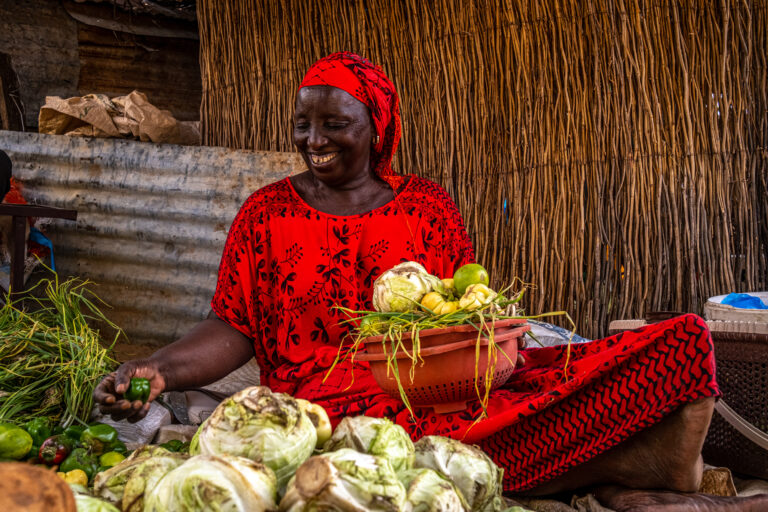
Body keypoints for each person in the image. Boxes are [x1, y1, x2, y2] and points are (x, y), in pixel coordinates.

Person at [95, 52, 734, 506]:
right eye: (303, 123)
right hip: (327, 416)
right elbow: (233, 326)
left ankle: (634, 462)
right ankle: (620, 464)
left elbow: (465, 315)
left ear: (378, 126)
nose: (313, 140)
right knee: (443, 455)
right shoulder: (266, 214)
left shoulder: (425, 206)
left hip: (436, 393)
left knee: (663, 344)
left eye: (334, 124)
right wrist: (158, 369)